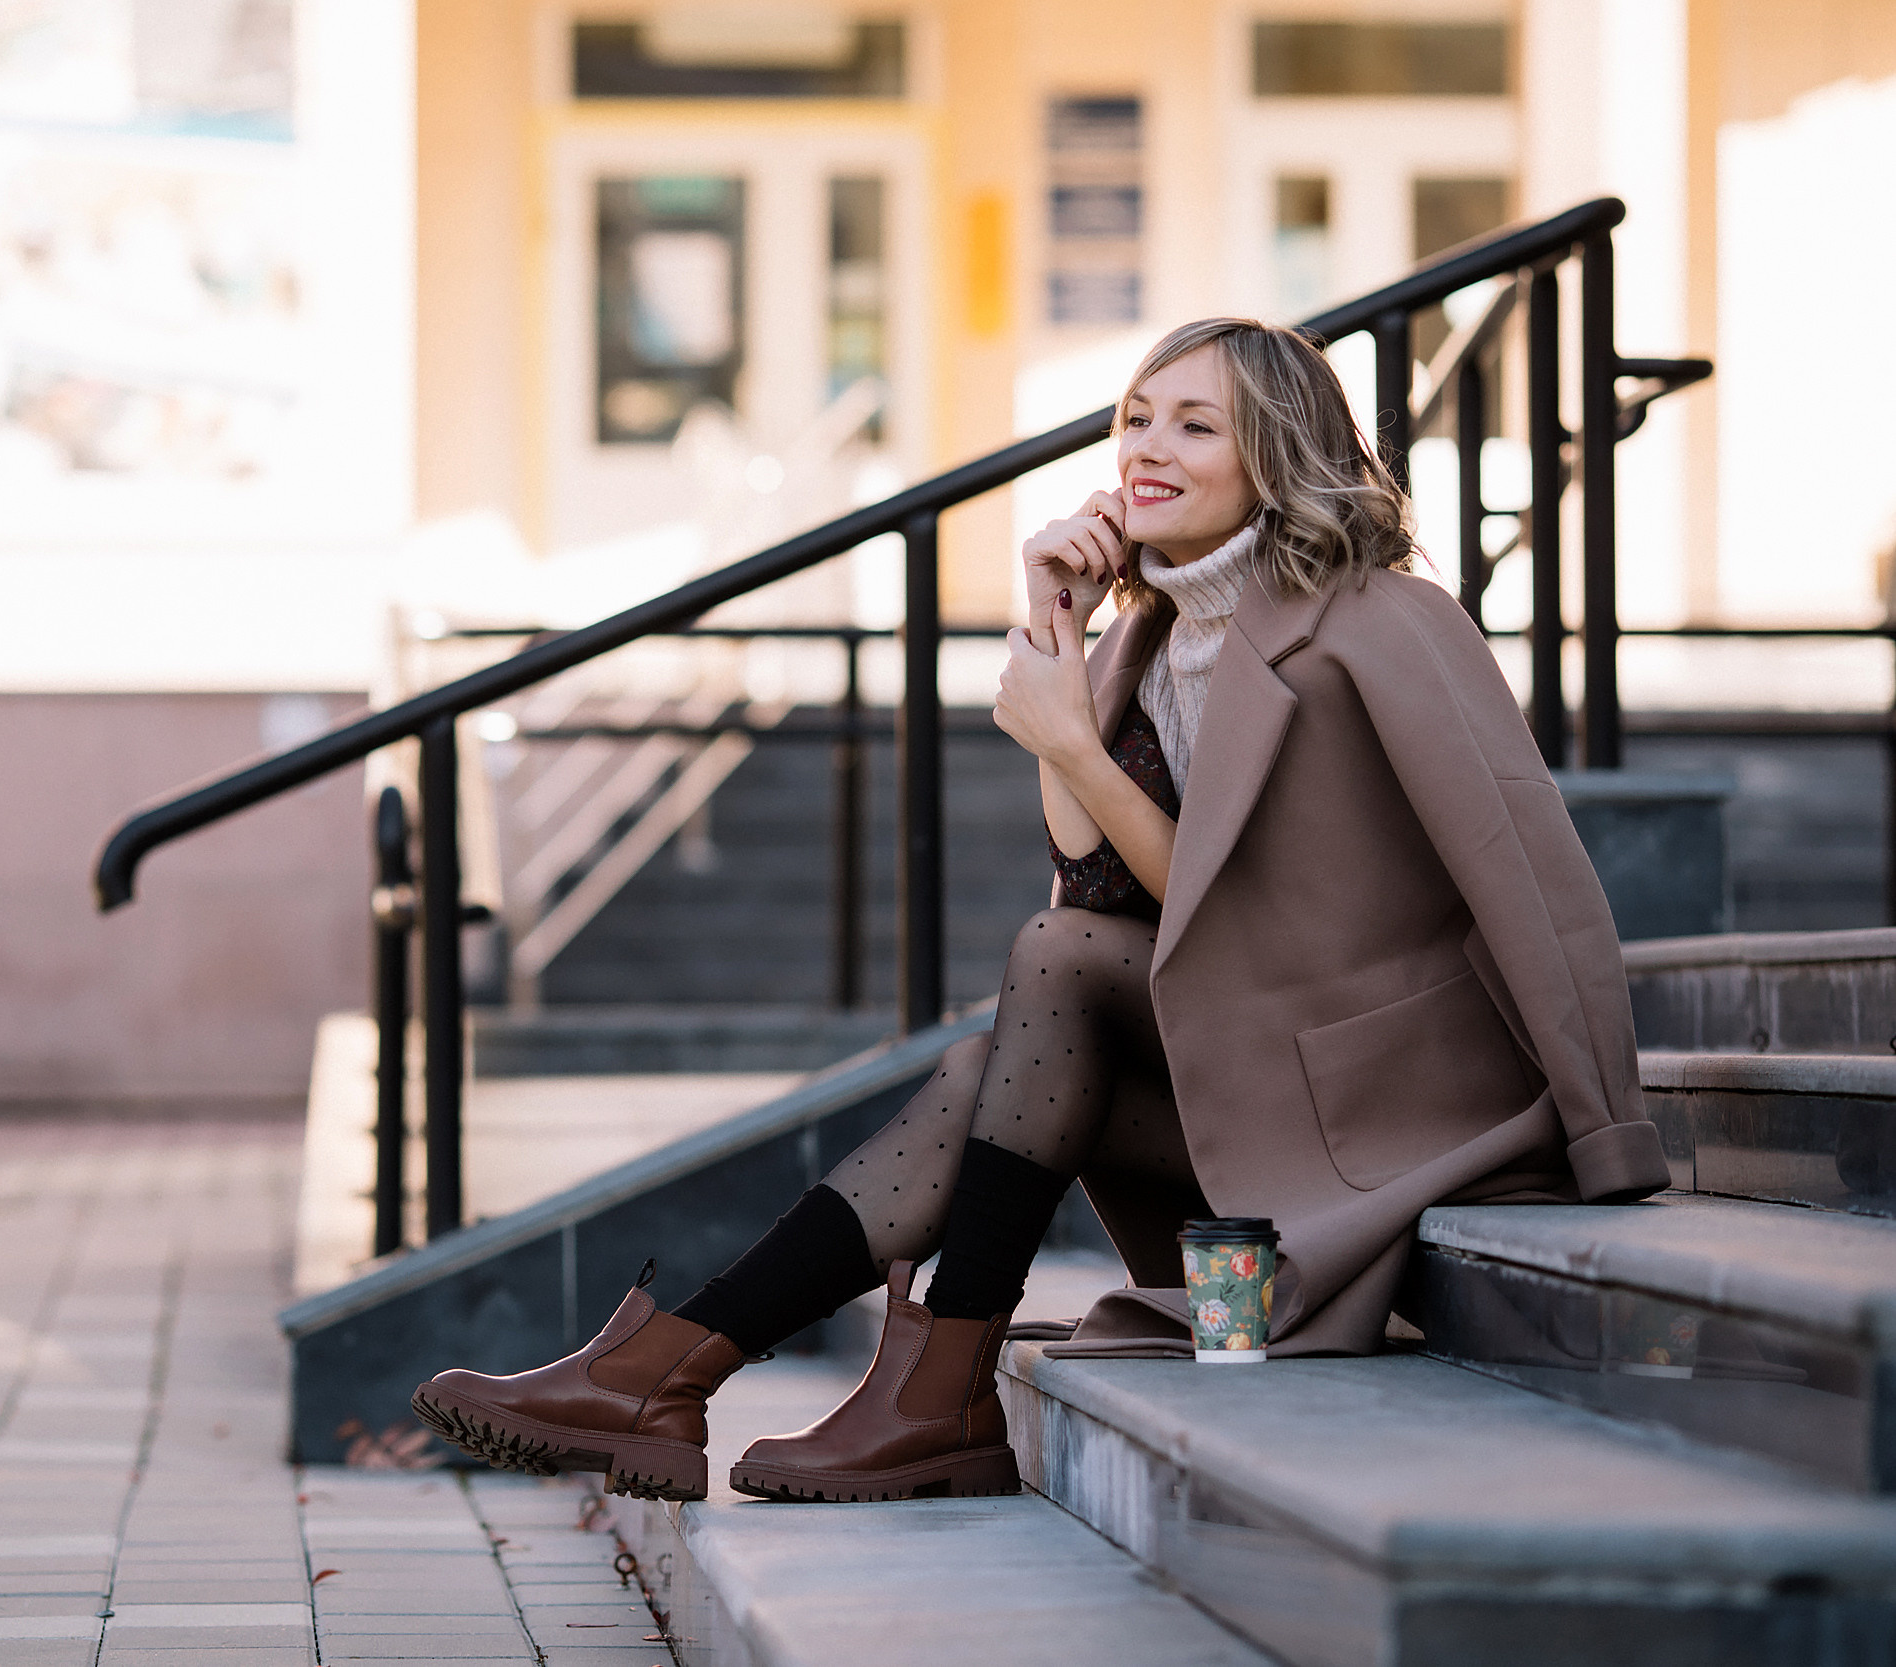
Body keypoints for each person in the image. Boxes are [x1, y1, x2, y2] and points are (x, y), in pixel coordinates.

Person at [410, 317, 1672, 1505]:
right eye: (1133, 418)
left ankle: (773, 1379)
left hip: (1395, 1109)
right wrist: (1059, 640)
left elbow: (1525, 867)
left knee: (1045, 972)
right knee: (990, 1053)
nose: (1144, 448)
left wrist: (1603, 1130)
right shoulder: (1142, 640)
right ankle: (727, 1379)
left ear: (1280, 454)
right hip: (1260, 1099)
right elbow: (1099, 890)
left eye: (1193, 425)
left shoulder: (1387, 620)